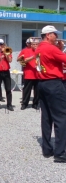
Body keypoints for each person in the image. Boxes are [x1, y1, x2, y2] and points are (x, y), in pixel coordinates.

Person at [35, 25, 66, 162]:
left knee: (46, 117)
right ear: (48, 35)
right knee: (61, 117)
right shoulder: (51, 48)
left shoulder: (39, 48)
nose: (57, 37)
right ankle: (60, 152)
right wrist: (60, 49)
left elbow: (49, 60)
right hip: (53, 83)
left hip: (42, 84)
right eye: (54, 34)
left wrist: (58, 48)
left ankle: (47, 149)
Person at [20, 38, 39, 110]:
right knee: (27, 90)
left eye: (36, 44)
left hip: (38, 74)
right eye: (33, 44)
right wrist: (33, 56)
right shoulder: (25, 51)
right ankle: (24, 104)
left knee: (37, 91)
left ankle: (36, 104)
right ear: (31, 45)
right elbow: (24, 60)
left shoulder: (40, 51)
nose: (35, 45)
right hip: (29, 74)